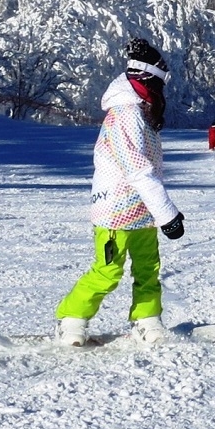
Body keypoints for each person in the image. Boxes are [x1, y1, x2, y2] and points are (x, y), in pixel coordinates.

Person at [54, 39, 187, 346]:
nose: (161, 92)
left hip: (142, 210)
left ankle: (147, 319)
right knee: (108, 270)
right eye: (159, 82)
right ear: (147, 79)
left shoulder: (139, 110)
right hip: (116, 209)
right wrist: (168, 214)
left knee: (148, 267)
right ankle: (71, 318)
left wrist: (157, 211)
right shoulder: (126, 112)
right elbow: (138, 169)